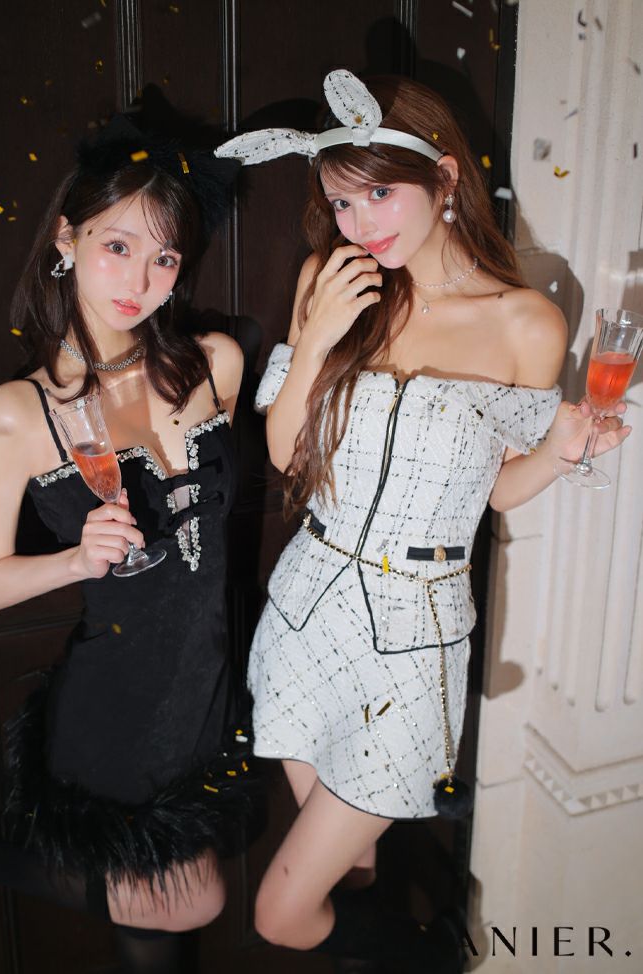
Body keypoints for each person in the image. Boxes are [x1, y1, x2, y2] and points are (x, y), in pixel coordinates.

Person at [215, 69, 629, 972]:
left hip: (416, 633)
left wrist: (563, 453)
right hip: (305, 612)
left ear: (444, 177)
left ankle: (432, 957)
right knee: (352, 864)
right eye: (340, 201)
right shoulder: (335, 282)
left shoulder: (526, 323)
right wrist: (319, 335)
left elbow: (494, 492)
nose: (359, 223)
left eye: (378, 194)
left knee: (282, 912)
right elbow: (286, 454)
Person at [0, 110, 255, 974]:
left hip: (206, 687)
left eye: (165, 257)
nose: (139, 280)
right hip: (118, 700)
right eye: (118, 246)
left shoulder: (214, 363)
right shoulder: (20, 412)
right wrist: (76, 557)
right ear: (68, 240)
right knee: (177, 909)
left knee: (165, 926)